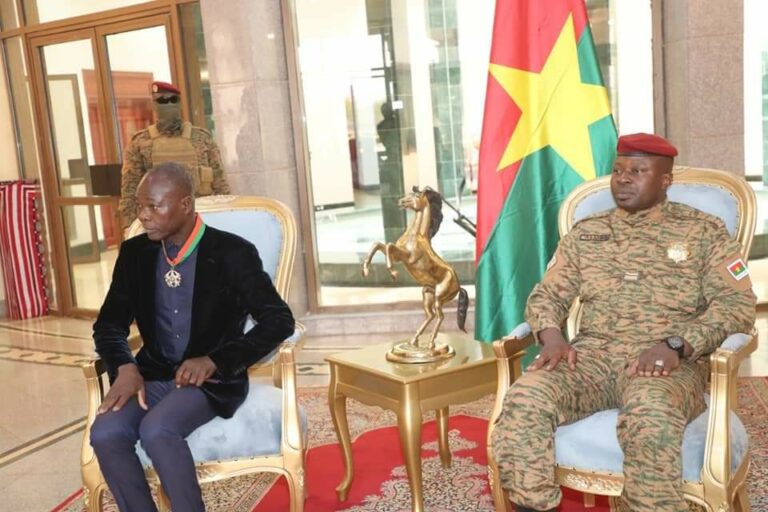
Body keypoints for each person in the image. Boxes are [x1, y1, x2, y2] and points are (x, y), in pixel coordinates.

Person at [491, 133, 756, 512]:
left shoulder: (704, 232)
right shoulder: (588, 233)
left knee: (650, 418)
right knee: (525, 398)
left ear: (665, 180)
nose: (624, 179)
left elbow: (737, 304)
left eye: (638, 171)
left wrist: (678, 344)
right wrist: (551, 337)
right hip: (590, 359)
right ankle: (534, 506)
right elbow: (546, 295)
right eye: (618, 171)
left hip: (667, 366)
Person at [90, 162, 294, 512]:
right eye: (140, 206)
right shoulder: (135, 254)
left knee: (157, 430)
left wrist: (216, 360)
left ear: (185, 204)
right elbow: (108, 324)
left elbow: (279, 320)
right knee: (105, 433)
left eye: (154, 206)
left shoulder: (232, 253)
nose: (143, 215)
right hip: (152, 374)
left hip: (211, 381)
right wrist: (124, 367)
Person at [119, 81, 230, 229]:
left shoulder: (202, 139)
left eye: (173, 100)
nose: (169, 104)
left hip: (202, 218)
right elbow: (130, 191)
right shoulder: (140, 143)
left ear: (180, 103)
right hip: (161, 223)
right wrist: (129, 228)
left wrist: (227, 218)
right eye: (162, 101)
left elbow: (220, 184)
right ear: (154, 105)